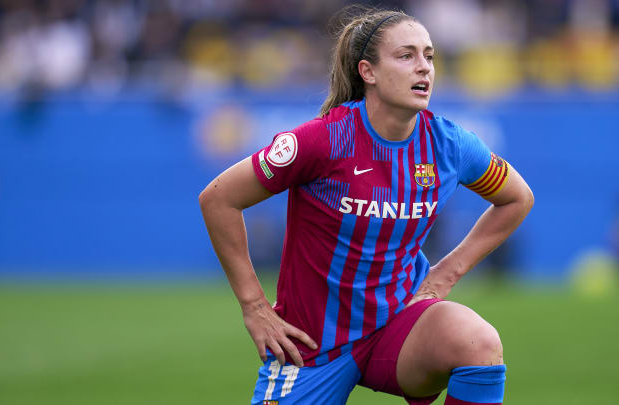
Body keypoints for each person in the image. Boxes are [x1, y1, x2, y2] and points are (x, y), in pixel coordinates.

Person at [199, 7, 533, 405]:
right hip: (311, 345)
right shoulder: (323, 141)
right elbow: (219, 198)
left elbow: (517, 198)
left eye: (429, 56)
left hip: (398, 326)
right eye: (406, 55)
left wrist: (447, 272)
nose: (423, 67)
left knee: (479, 343)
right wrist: (254, 306)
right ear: (368, 72)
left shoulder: (450, 145)